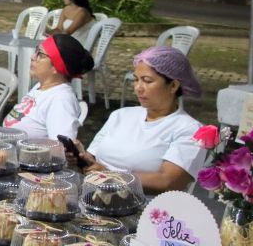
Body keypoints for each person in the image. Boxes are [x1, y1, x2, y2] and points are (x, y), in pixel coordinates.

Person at [68, 46, 204, 194]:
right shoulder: (121, 115)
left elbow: (168, 181)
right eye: (136, 80)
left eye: (147, 80)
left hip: (145, 208)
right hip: (93, 196)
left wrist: (112, 176)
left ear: (173, 85)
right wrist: (81, 157)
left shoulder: (190, 130)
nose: (138, 88)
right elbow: (93, 157)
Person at [2, 34, 94, 140]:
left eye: (40, 55)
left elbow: (60, 148)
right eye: (36, 51)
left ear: (57, 67)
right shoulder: (41, 86)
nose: (33, 57)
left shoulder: (61, 99)